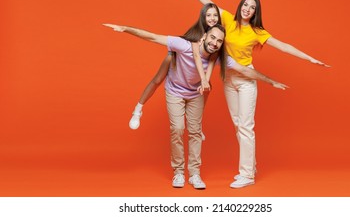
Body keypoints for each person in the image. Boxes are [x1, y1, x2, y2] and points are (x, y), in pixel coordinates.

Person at [171, 0, 330, 188]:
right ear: (240, 6)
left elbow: (283, 46)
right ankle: (251, 166)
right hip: (229, 79)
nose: (247, 9)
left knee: (246, 126)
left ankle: (247, 175)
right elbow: (206, 0)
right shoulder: (227, 20)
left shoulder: (257, 31)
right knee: (238, 125)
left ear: (255, 12)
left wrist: (310, 58)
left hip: (246, 80)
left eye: (252, 7)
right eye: (245, 5)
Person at [103, 21, 288, 190]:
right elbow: (152, 37)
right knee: (177, 129)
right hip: (174, 91)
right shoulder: (183, 46)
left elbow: (244, 69)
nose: (215, 43)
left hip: (195, 95)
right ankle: (178, 172)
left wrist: (271, 81)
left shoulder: (218, 58)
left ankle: (194, 174)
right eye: (213, 37)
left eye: (219, 41)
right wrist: (126, 29)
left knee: (195, 132)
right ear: (204, 37)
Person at [129, 3, 221, 132]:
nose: (212, 18)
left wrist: (205, 80)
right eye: (209, 15)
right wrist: (125, 29)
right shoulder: (199, 33)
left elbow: (213, 58)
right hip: (177, 55)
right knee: (157, 80)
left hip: (194, 69)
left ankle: (196, 124)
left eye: (215, 15)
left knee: (207, 88)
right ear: (203, 17)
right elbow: (196, 55)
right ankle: (138, 109)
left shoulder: (218, 35)